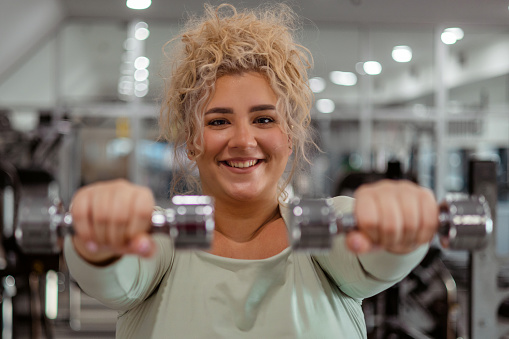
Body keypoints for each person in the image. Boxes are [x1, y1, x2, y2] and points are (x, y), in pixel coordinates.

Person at [64, 3, 438, 338]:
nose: (243, 140)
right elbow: (113, 273)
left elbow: (374, 258)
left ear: (289, 137)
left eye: (263, 119)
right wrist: (100, 236)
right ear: (192, 140)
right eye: (218, 122)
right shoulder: (159, 238)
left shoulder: (328, 227)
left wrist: (398, 228)